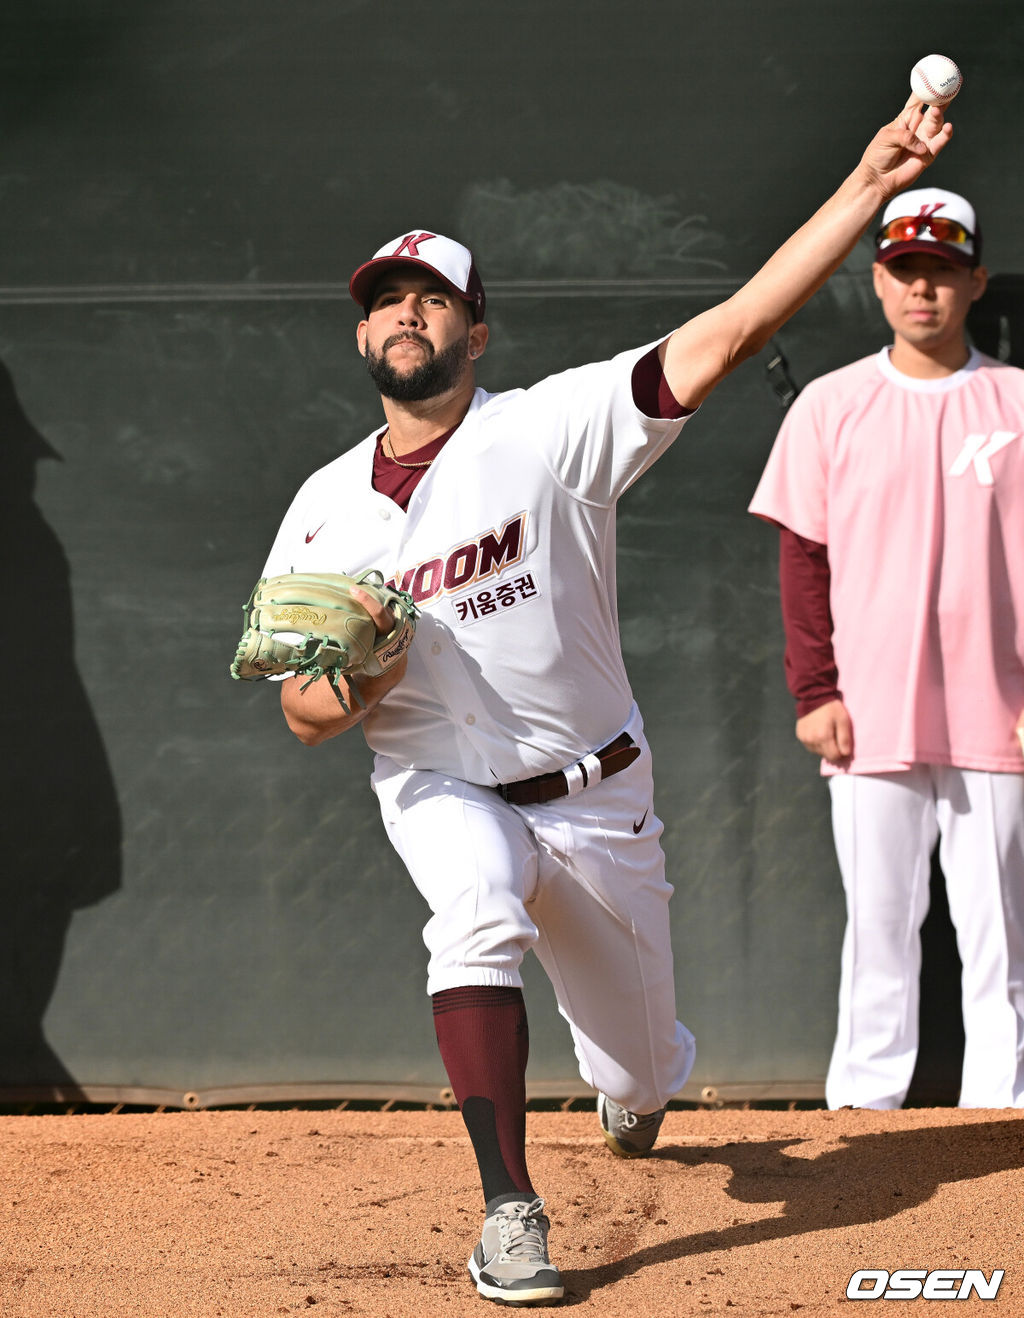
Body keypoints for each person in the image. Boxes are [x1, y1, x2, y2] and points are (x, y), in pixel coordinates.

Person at [254, 101, 950, 1305]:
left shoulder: (552, 430)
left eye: (430, 295)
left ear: (478, 326)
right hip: (435, 783)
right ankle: (509, 1209)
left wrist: (860, 182)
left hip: (593, 796)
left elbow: (733, 330)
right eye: (383, 297)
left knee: (637, 1065)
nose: (403, 312)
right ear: (361, 331)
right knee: (470, 915)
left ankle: (636, 1095)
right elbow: (303, 714)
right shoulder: (319, 509)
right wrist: (355, 677)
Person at [749, 185, 1024, 1113]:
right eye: (906, 270)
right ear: (877, 281)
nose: (923, 290)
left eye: (942, 272)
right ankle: (862, 1128)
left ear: (975, 281)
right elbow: (802, 564)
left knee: (1003, 942)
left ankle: (1006, 1120)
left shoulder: (1019, 403)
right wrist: (813, 690)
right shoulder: (830, 407)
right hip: (866, 714)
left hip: (1004, 715)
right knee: (878, 933)